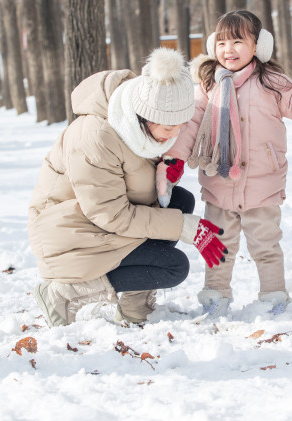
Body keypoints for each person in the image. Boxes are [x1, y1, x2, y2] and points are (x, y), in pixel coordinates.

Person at [29, 48, 228, 328]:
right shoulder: (95, 137)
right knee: (173, 266)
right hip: (71, 235)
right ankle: (62, 293)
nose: (175, 136)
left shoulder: (138, 126)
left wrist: (164, 174)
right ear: (144, 116)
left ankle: (135, 308)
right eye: (168, 128)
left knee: (179, 201)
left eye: (181, 127)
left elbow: (136, 187)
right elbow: (111, 214)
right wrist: (185, 227)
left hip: (100, 224)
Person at [163, 10, 292, 319]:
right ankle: (215, 298)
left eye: (238, 41)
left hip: (262, 185)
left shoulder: (271, 81)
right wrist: (175, 160)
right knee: (219, 248)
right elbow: (191, 125)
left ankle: (274, 298)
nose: (229, 50)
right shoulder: (209, 83)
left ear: (258, 46)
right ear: (213, 46)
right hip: (219, 183)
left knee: (265, 246)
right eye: (223, 42)